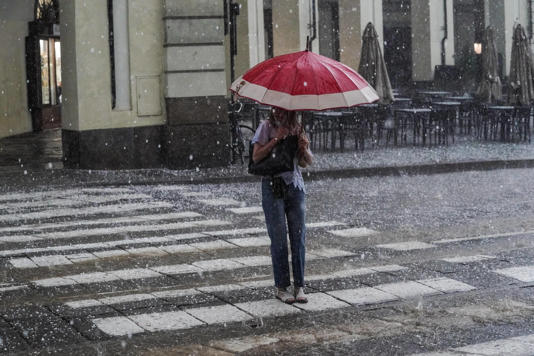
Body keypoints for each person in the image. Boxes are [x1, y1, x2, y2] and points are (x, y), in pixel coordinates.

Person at [251, 107, 313, 304]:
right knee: (278, 239)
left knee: (298, 236)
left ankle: (300, 286)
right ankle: (281, 287)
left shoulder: (297, 128)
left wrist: (304, 149)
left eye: (283, 110)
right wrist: (276, 139)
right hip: (272, 187)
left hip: (295, 187)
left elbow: (306, 163)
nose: (279, 112)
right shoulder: (265, 127)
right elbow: (256, 157)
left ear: (291, 111)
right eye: (276, 109)